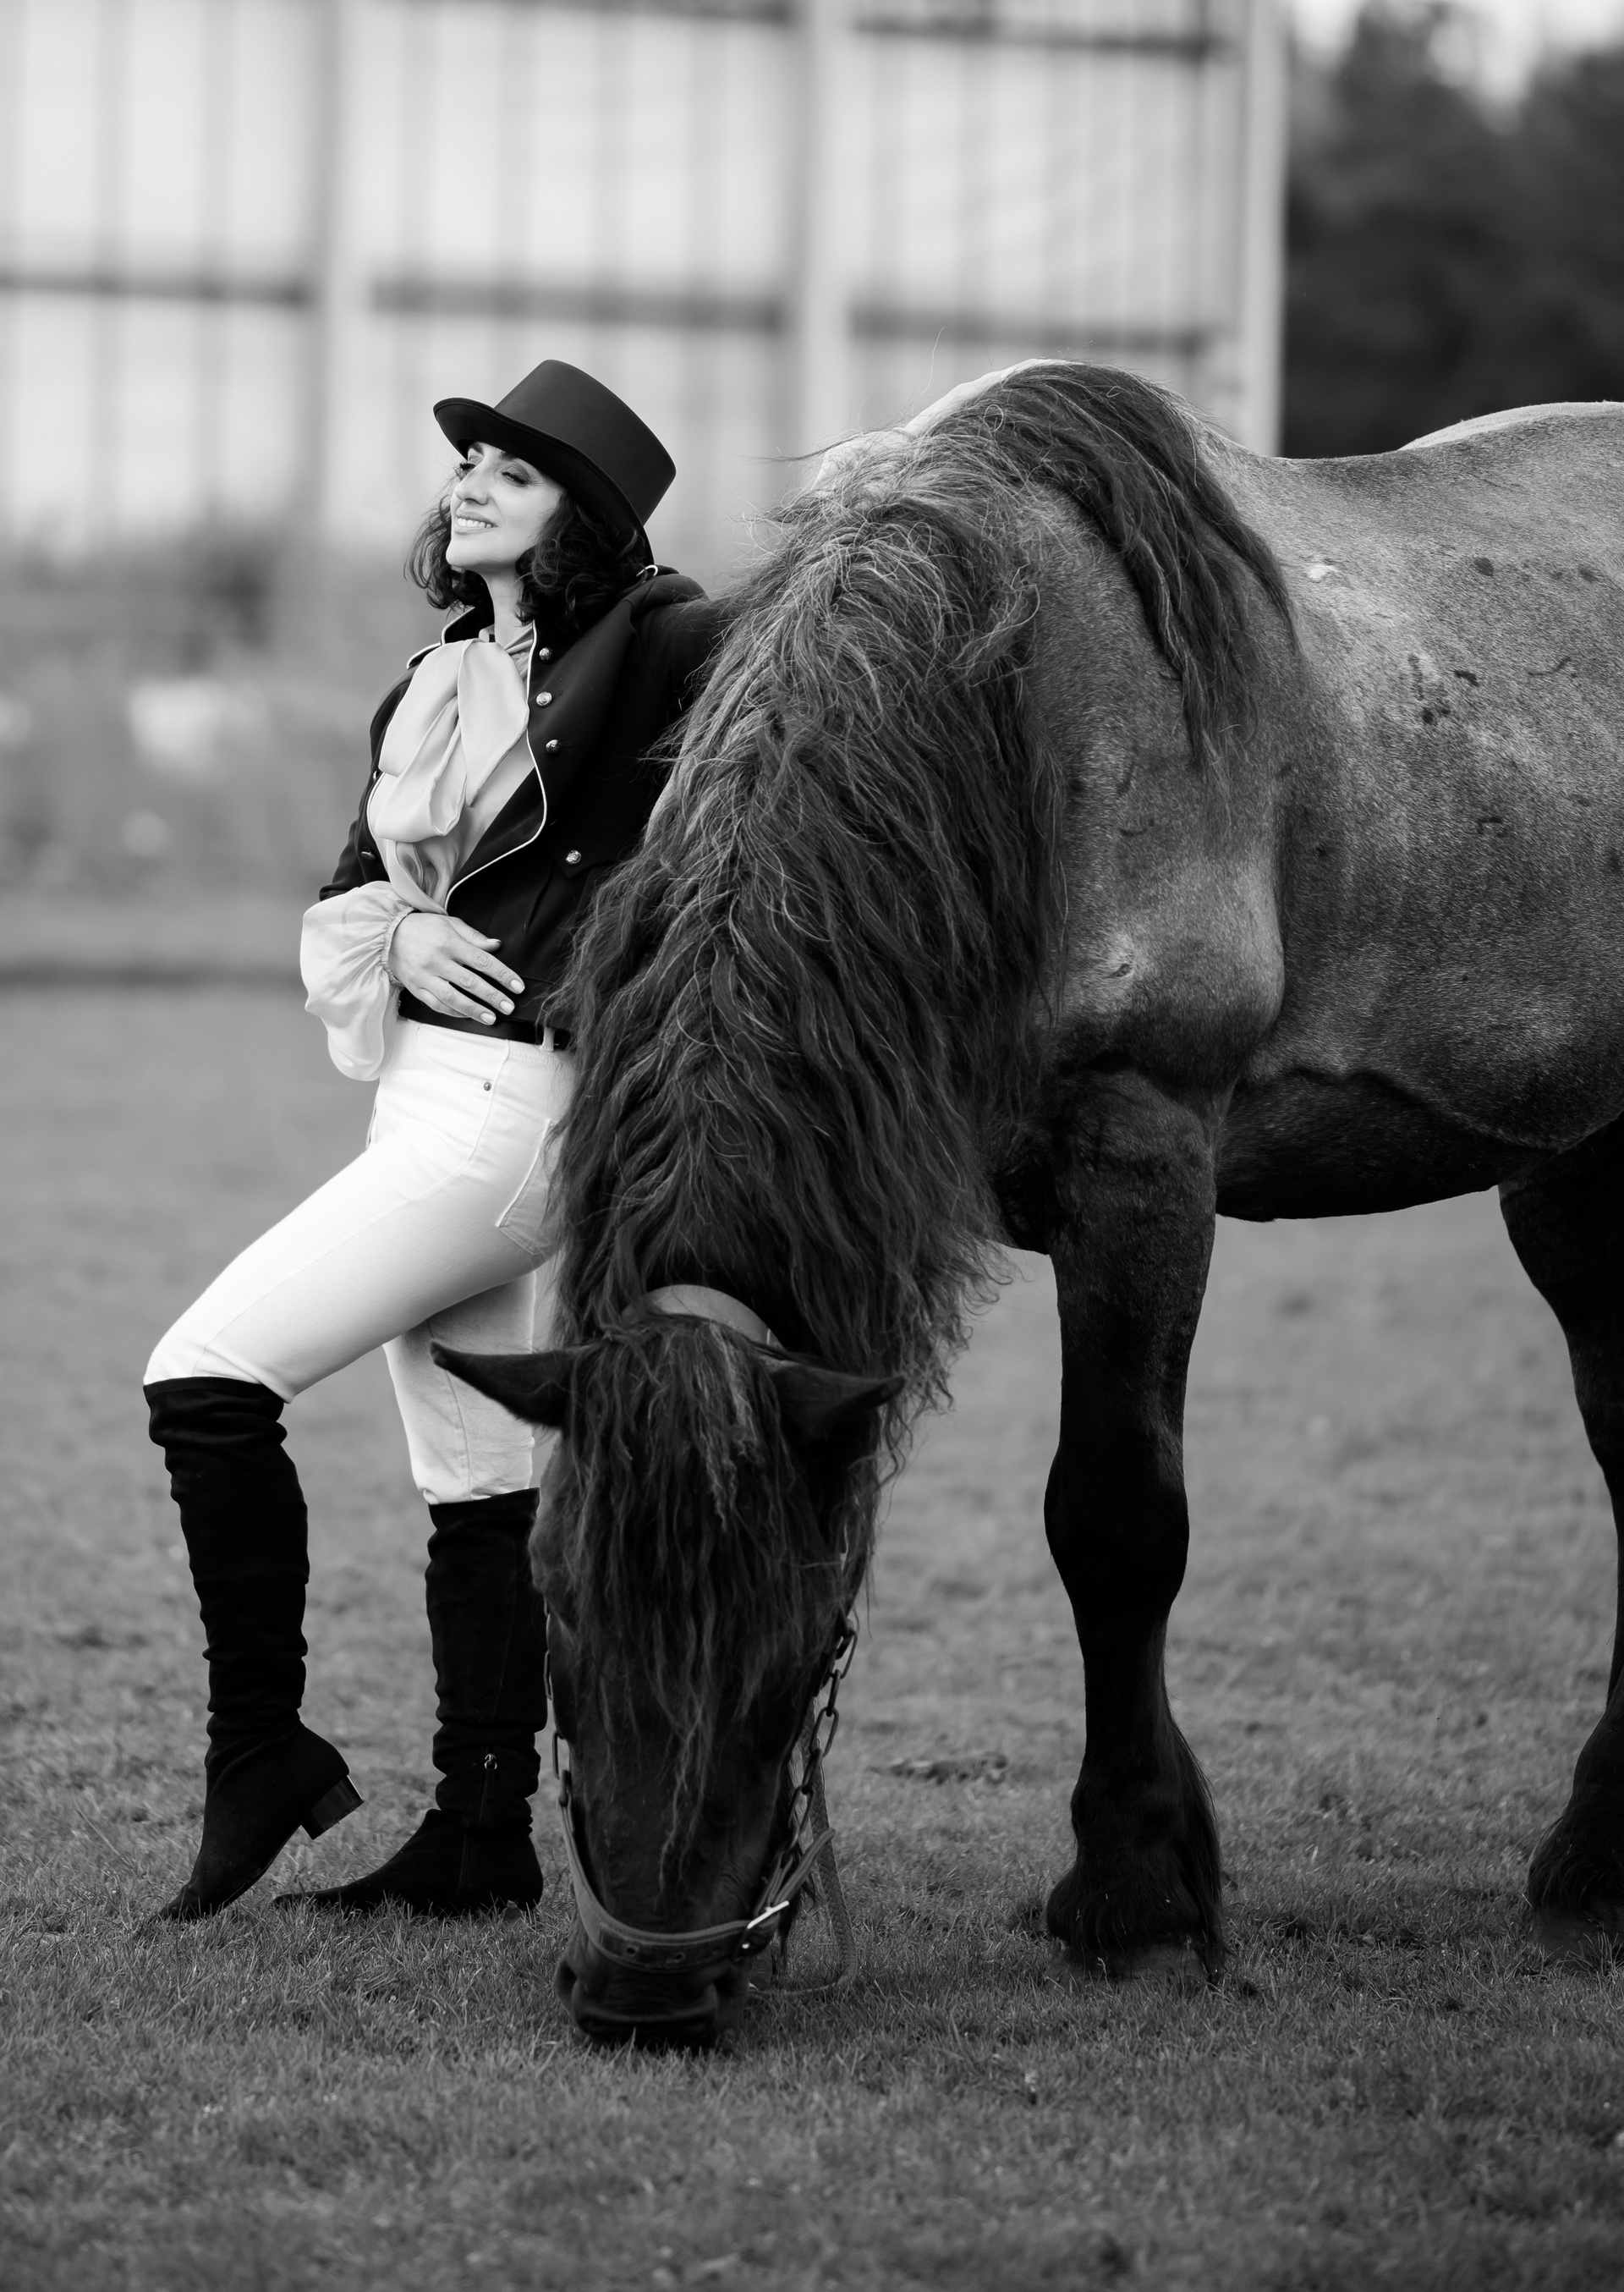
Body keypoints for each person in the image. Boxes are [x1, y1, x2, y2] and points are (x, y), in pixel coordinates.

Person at [143, 360, 725, 1921]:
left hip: (515, 1114)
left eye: (515, 472)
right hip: (422, 1093)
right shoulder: (433, 677)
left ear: (585, 517)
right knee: (478, 1478)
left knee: (203, 1376)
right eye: (470, 461)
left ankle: (261, 1751)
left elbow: (762, 782)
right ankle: (480, 1832)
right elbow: (352, 893)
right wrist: (398, 936)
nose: (470, 481)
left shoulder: (664, 640)